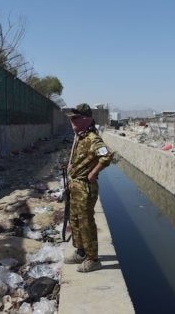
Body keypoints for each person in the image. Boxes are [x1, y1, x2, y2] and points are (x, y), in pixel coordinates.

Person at [64, 103, 113, 272]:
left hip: (85, 187)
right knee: (75, 220)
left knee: (86, 223)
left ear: (86, 119)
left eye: (76, 118)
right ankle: (81, 251)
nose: (73, 122)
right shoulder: (80, 137)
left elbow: (106, 156)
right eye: (72, 118)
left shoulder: (93, 139)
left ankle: (93, 259)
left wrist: (92, 173)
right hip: (75, 185)